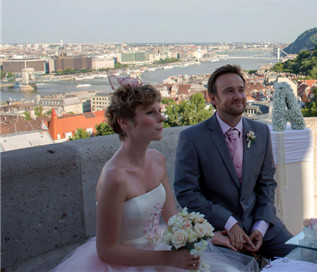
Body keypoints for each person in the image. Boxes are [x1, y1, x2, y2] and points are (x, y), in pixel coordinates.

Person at [52, 80, 256, 272]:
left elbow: (170, 215)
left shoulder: (156, 159)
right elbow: (106, 251)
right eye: (151, 112)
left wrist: (207, 236)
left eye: (160, 110)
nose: (161, 117)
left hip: (160, 248)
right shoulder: (114, 178)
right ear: (125, 123)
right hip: (130, 263)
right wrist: (167, 259)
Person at [174, 64, 293, 261]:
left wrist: (260, 227)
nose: (238, 96)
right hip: (220, 230)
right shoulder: (192, 138)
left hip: (261, 223)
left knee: (305, 258)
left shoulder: (261, 132)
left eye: (241, 90)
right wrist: (229, 223)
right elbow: (187, 193)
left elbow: (267, 184)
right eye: (229, 91)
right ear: (213, 99)